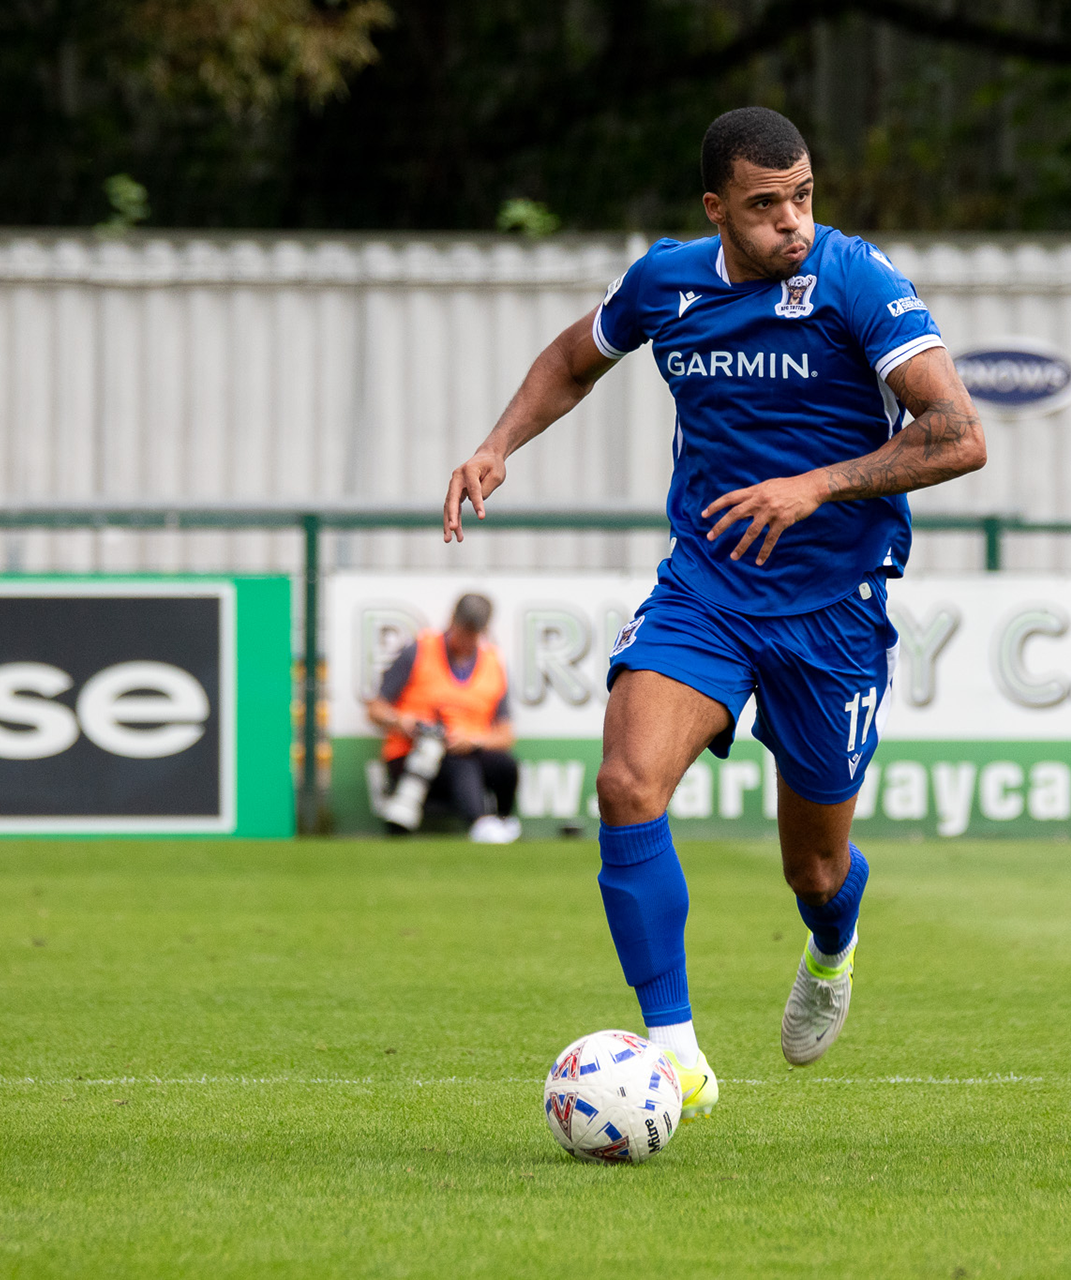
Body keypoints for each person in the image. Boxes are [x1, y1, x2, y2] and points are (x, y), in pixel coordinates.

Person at [441, 107, 985, 1119]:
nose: (794, 224)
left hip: (833, 607)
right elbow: (572, 359)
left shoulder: (854, 279)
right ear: (717, 209)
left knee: (814, 866)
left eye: (805, 197)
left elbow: (958, 434)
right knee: (625, 781)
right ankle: (676, 1052)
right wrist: (495, 443)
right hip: (708, 588)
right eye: (767, 205)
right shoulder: (668, 281)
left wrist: (816, 486)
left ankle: (833, 941)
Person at [366, 593, 521, 844]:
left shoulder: (493, 662)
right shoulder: (419, 650)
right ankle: (480, 825)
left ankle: (502, 822)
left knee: (504, 765)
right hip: (413, 754)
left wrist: (474, 741)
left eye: (473, 633)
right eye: (463, 630)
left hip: (470, 749)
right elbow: (375, 708)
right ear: (452, 620)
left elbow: (505, 735)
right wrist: (401, 721)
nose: (465, 640)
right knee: (459, 762)